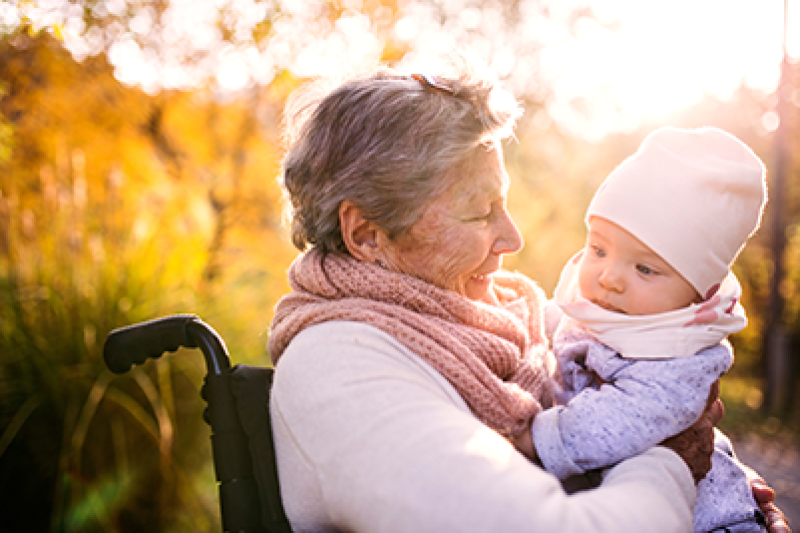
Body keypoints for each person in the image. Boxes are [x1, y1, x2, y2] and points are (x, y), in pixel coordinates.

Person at [267, 56, 788, 532]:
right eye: (479, 213)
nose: (513, 238)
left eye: (505, 205)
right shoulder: (341, 373)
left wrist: (726, 490)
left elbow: (654, 371)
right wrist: (672, 463)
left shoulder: (505, 318)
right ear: (367, 236)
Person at [523, 126, 777, 532]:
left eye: (644, 268)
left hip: (710, 523)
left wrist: (537, 438)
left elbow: (622, 417)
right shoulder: (613, 311)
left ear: (699, 292)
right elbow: (557, 328)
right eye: (599, 249)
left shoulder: (680, 357)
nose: (609, 277)